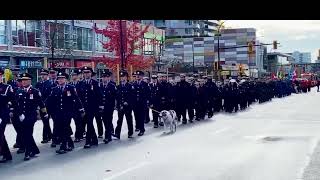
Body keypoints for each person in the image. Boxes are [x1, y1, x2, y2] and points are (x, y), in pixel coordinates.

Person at [13, 73, 48, 161]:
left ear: (29, 81)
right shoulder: (19, 91)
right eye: (22, 80)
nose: (23, 82)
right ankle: (34, 150)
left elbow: (41, 104)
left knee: (28, 134)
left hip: (31, 116)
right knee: (25, 134)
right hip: (21, 117)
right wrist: (18, 114)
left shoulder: (35, 91)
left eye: (25, 80)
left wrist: (45, 113)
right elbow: (16, 104)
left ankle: (28, 152)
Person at [47, 72, 84, 154]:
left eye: (62, 78)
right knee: (62, 129)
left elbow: (76, 98)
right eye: (59, 78)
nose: (60, 80)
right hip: (58, 113)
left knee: (65, 128)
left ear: (65, 79)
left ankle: (63, 146)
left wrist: (81, 108)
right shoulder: (55, 89)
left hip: (68, 112)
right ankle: (70, 143)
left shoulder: (70, 88)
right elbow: (50, 100)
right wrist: (43, 107)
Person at [77, 66, 102, 149]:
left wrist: (100, 106)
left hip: (93, 107)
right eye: (84, 72)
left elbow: (99, 95)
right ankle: (94, 139)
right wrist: (80, 107)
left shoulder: (95, 83)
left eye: (88, 72)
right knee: (89, 123)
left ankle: (88, 141)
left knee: (89, 123)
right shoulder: (80, 83)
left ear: (91, 74)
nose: (86, 74)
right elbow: (79, 96)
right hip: (84, 107)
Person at [114, 70, 134, 139]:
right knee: (119, 120)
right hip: (120, 106)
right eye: (121, 77)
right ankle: (117, 134)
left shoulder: (130, 86)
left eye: (124, 76)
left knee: (129, 120)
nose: (122, 78)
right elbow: (117, 97)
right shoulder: (118, 86)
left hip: (127, 106)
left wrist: (127, 102)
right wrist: (117, 105)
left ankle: (130, 133)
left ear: (126, 77)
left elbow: (132, 96)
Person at [99, 69, 116, 144]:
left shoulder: (112, 86)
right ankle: (109, 133)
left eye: (105, 77)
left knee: (108, 121)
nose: (104, 78)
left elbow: (115, 97)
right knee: (104, 121)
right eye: (103, 77)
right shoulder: (100, 86)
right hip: (102, 108)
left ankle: (107, 137)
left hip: (109, 107)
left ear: (108, 77)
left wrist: (115, 105)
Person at [35, 68, 52, 144]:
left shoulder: (50, 83)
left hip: (48, 105)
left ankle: (46, 137)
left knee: (47, 121)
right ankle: (50, 135)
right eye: (42, 75)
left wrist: (45, 103)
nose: (42, 76)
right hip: (41, 106)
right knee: (45, 121)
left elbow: (50, 95)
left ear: (47, 75)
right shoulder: (38, 84)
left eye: (44, 75)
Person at [0, 68, 14, 163]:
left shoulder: (7, 87)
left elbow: (13, 101)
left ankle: (5, 154)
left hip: (2, 114)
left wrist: (11, 110)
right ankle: (6, 154)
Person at [132, 71, 150, 136]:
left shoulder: (145, 84)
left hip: (142, 103)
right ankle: (138, 126)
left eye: (139, 75)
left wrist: (148, 102)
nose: (137, 76)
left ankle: (142, 129)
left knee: (141, 117)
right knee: (136, 116)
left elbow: (148, 94)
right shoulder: (133, 84)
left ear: (142, 77)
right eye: (137, 75)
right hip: (135, 104)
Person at [69, 69, 85, 142]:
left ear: (78, 76)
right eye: (72, 75)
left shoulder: (82, 84)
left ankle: (78, 136)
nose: (73, 76)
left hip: (78, 106)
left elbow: (83, 96)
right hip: (71, 106)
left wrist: (82, 107)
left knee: (78, 122)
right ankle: (69, 134)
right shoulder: (70, 85)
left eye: (75, 75)